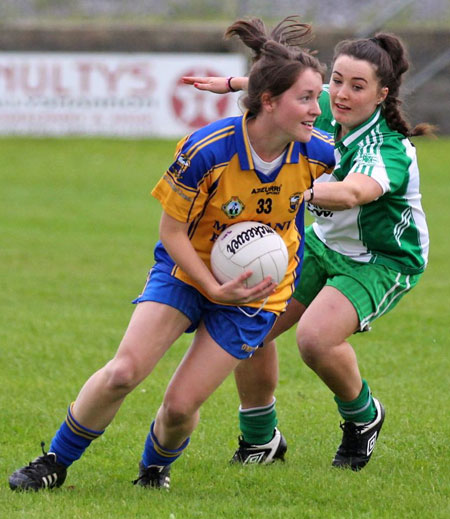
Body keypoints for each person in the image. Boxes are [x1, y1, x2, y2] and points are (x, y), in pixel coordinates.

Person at [8, 16, 336, 492]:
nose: (316, 109)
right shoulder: (207, 149)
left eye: (316, 99)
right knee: (123, 372)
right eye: (306, 99)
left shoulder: (319, 155)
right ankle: (54, 462)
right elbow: (172, 231)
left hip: (257, 293)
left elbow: (360, 129)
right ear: (269, 101)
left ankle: (153, 472)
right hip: (185, 272)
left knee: (181, 407)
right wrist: (210, 284)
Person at [184, 31, 432, 470]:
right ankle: (261, 439)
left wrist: (294, 189)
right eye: (336, 81)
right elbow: (289, 90)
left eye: (357, 87)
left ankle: (363, 418)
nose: (340, 94)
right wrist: (229, 84)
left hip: (381, 259)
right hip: (319, 243)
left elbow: (356, 191)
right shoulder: (322, 109)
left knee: (315, 339)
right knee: (251, 322)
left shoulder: (386, 147)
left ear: (381, 94)